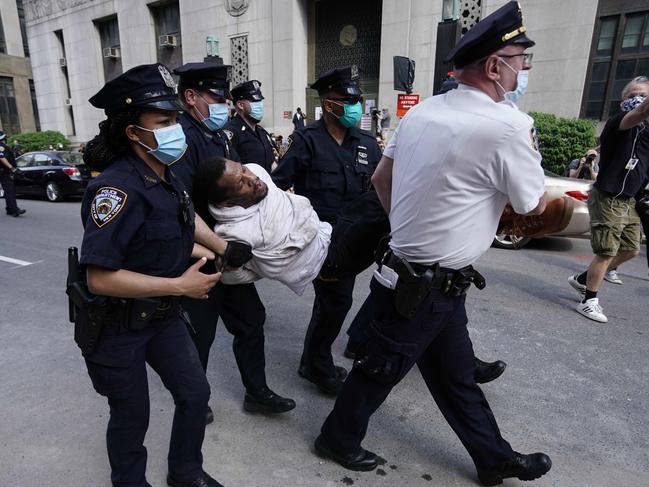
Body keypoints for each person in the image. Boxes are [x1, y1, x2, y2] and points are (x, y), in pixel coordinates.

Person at [315, 3, 552, 486]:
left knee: (456, 375)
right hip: (425, 283)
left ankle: (493, 458)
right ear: (493, 66)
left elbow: (382, 180)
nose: (522, 70)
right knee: (379, 369)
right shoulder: (505, 125)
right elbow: (532, 205)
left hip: (420, 272)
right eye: (518, 60)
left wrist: (408, 225)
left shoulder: (424, 111)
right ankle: (336, 438)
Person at [78, 63, 223, 487]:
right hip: (116, 325)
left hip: (161, 317)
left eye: (175, 118)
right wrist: (181, 284)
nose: (174, 127)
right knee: (132, 414)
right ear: (132, 131)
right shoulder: (116, 190)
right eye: (163, 121)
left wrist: (219, 247)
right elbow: (99, 279)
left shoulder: (168, 174)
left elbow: (182, 221)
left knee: (195, 394)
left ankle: (186, 473)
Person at [173, 62, 295, 417]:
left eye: (226, 98)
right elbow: (180, 209)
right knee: (199, 335)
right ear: (191, 96)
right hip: (199, 255)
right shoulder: (181, 138)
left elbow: (242, 186)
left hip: (231, 252)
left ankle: (256, 393)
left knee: (251, 321)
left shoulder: (221, 135)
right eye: (215, 96)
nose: (224, 105)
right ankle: (195, 401)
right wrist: (220, 248)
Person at [273, 65, 382, 396]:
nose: (353, 107)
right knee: (336, 302)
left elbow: (380, 187)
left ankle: (313, 359)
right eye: (346, 100)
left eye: (356, 100)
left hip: (359, 239)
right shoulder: (307, 141)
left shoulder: (366, 142)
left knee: (337, 303)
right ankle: (317, 365)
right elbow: (278, 188)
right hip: (320, 238)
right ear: (328, 103)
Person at [193, 159, 389, 295]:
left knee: (380, 193)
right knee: (385, 212)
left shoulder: (257, 171)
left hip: (328, 228)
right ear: (226, 204)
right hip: (329, 261)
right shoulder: (234, 234)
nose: (251, 178)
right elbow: (232, 276)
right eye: (241, 183)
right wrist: (272, 269)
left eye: (243, 169)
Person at [568, 76, 649, 323]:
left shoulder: (646, 133)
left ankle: (583, 279)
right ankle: (589, 300)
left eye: (644, 94)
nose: (639, 99)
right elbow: (641, 112)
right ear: (623, 101)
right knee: (606, 252)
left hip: (630, 200)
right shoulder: (618, 123)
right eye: (634, 95)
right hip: (608, 196)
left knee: (631, 250)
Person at [224, 80, 275, 172]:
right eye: (255, 101)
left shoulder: (262, 132)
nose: (260, 105)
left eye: (260, 100)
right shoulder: (231, 132)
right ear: (240, 105)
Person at [0, 131, 26, 217]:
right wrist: (12, 168)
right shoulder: (1, 146)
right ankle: (14, 210)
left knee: (8, 190)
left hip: (4, 171)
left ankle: (9, 209)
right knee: (9, 191)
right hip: (5, 172)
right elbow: (2, 158)